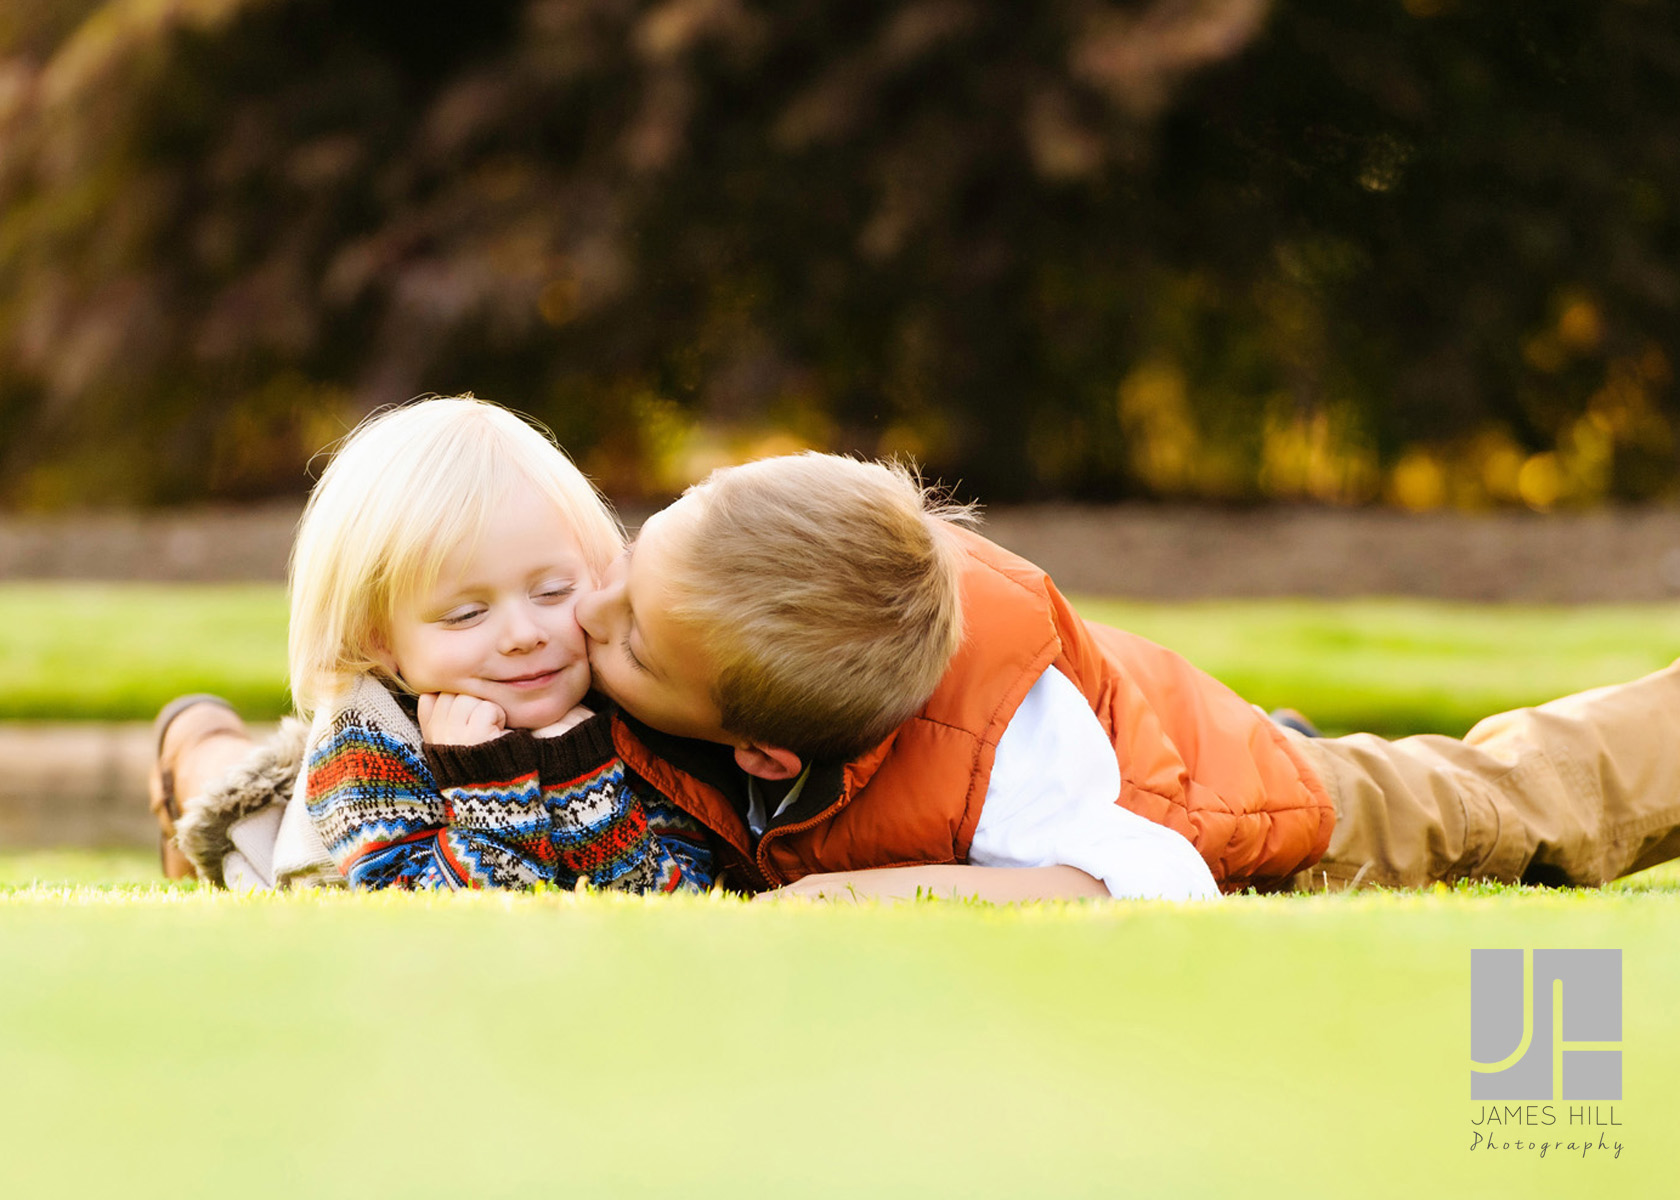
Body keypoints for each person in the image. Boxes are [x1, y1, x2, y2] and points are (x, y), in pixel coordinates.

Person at [154, 398, 711, 894]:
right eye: (466, 614)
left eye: (552, 591)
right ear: (380, 641)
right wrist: (489, 784)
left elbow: (681, 897)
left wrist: (581, 776)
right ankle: (190, 750)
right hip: (313, 851)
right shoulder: (366, 741)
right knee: (238, 815)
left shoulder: (629, 700)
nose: (524, 634)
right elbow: (423, 917)